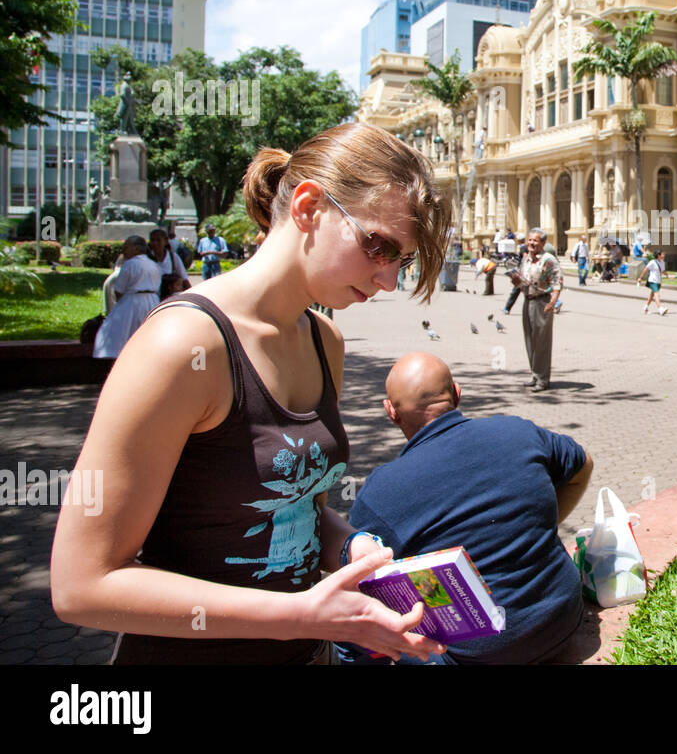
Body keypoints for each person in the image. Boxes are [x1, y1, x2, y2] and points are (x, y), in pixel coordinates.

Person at [52, 122, 452, 665]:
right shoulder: (182, 345)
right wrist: (302, 616)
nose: (386, 281)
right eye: (377, 246)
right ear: (310, 207)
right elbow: (82, 585)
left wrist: (353, 549)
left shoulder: (324, 340)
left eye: (399, 261)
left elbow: (297, 509)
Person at [336, 354, 593, 665]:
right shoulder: (516, 431)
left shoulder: (380, 491)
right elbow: (583, 465)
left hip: (474, 656)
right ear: (457, 393)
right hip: (562, 621)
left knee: (346, 628)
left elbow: (360, 579)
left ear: (391, 412)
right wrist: (539, 527)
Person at [510, 227, 563, 392]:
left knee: (542, 342)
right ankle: (535, 374)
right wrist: (515, 280)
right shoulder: (525, 258)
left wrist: (552, 303)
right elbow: (523, 280)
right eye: (530, 240)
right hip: (528, 300)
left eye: (536, 241)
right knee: (530, 339)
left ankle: (543, 379)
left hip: (542, 303)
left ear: (543, 243)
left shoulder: (549, 260)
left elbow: (557, 282)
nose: (532, 243)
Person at [92, 235, 162, 359]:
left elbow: (119, 290)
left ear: (136, 249)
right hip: (153, 302)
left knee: (121, 334)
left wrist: (122, 306)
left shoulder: (130, 264)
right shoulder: (154, 265)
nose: (123, 250)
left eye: (126, 247)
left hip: (133, 302)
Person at [639, 249, 668, 315]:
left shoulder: (662, 262)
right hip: (652, 281)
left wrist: (668, 276)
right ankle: (660, 309)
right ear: (658, 255)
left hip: (658, 281)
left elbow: (663, 271)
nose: (663, 255)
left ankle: (646, 307)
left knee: (652, 295)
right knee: (657, 294)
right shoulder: (652, 262)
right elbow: (645, 270)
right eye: (662, 254)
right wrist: (640, 278)